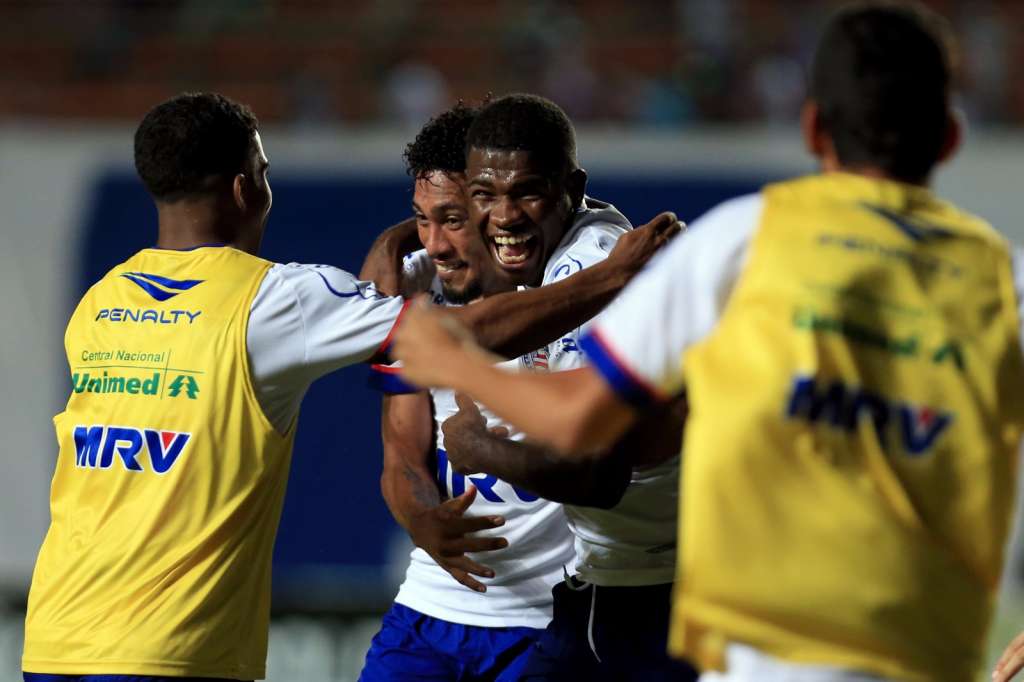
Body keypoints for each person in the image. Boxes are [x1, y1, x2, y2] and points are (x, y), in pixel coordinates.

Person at [393, 4, 1024, 681]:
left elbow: (580, 422)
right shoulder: (1006, 281)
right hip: (930, 657)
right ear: (952, 138)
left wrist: (461, 370)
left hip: (755, 650)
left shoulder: (737, 245)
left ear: (813, 127)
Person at [375, 94, 696, 681]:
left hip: (649, 591)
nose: (503, 215)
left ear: (568, 189)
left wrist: (483, 449)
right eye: (480, 198)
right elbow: (398, 418)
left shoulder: (589, 266)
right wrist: (421, 517)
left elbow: (600, 473)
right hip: (558, 592)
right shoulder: (431, 274)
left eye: (525, 191)